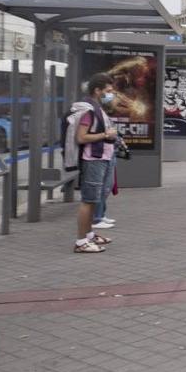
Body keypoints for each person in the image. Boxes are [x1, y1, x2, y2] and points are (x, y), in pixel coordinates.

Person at [73, 73, 119, 253]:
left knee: (94, 200)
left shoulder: (97, 107)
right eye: (108, 90)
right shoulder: (89, 110)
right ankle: (81, 242)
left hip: (102, 157)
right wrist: (106, 135)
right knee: (89, 200)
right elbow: (81, 137)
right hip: (94, 159)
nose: (111, 94)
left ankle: (89, 235)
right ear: (97, 90)